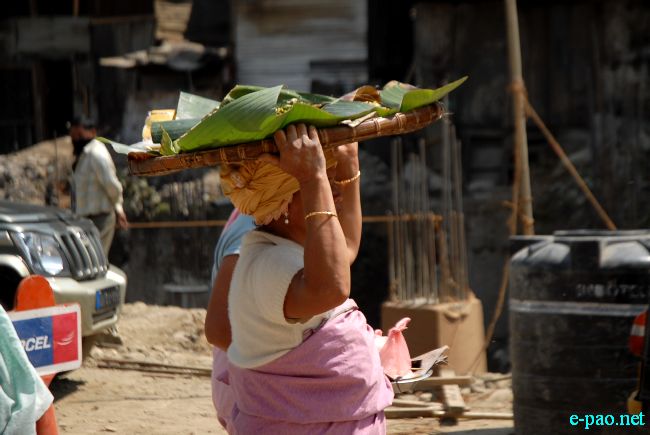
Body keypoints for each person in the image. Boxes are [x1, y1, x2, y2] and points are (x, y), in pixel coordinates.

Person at [216, 124, 393, 433]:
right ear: (283, 203)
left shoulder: (291, 249)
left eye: (332, 181)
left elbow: (345, 249)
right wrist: (313, 178)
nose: (333, 192)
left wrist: (349, 163)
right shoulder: (267, 264)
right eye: (325, 185)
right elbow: (331, 288)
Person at [69, 117, 128, 257]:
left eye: (80, 135)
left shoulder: (96, 154)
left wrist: (118, 208)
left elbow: (111, 185)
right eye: (74, 136)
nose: (76, 139)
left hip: (100, 219)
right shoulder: (84, 154)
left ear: (92, 132)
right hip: (86, 220)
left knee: (96, 259)